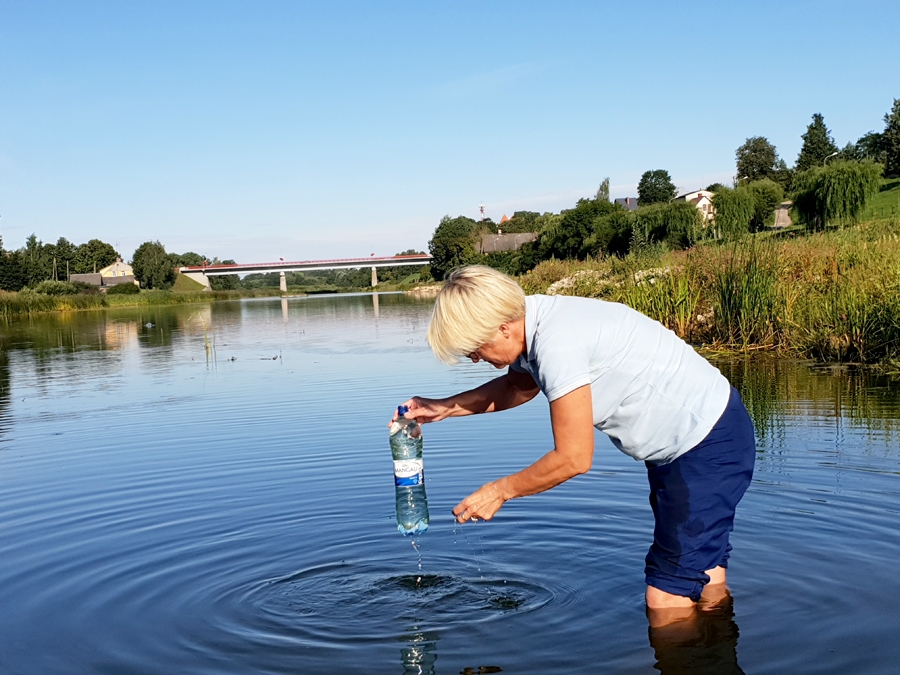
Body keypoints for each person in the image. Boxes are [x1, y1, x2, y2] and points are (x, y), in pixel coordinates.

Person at [392, 265, 755, 618]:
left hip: (704, 446)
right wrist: (444, 407)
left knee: (665, 596)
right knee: (702, 570)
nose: (474, 358)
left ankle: (684, 656)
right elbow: (517, 388)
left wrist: (500, 491)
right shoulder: (534, 322)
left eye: (474, 348)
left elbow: (574, 457)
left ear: (501, 327)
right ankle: (712, 642)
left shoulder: (557, 344)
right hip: (689, 446)